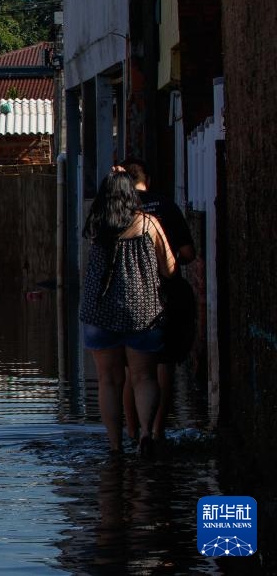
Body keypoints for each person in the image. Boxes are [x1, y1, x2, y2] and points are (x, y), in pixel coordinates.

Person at [80, 172, 176, 456]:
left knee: (108, 380)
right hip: (142, 312)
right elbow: (169, 268)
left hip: (100, 313)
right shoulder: (149, 224)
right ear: (131, 195)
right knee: (144, 377)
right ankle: (146, 432)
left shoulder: (97, 227)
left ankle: (114, 445)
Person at [120, 158, 197, 443]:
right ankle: (156, 431)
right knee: (164, 364)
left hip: (129, 296)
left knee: (133, 370)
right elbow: (188, 253)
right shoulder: (164, 207)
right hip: (167, 292)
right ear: (147, 180)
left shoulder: (118, 211)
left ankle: (131, 432)